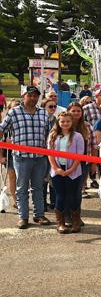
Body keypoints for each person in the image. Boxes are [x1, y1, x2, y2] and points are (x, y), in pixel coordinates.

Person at [0, 86, 51, 229]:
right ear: (24, 96)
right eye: (30, 95)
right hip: (21, 158)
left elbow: (49, 135)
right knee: (21, 188)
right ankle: (23, 217)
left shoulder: (43, 113)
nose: (33, 98)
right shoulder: (13, 112)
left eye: (36, 96)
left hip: (40, 157)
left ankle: (39, 215)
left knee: (38, 187)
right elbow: (2, 129)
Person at [47, 111, 85, 234]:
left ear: (72, 122)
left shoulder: (77, 136)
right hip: (57, 170)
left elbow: (79, 155)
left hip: (73, 170)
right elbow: (50, 154)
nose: (65, 123)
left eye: (68, 121)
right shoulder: (53, 135)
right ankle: (60, 223)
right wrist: (56, 168)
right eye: (62, 121)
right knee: (60, 196)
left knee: (73, 196)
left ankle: (75, 221)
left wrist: (71, 169)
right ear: (58, 122)